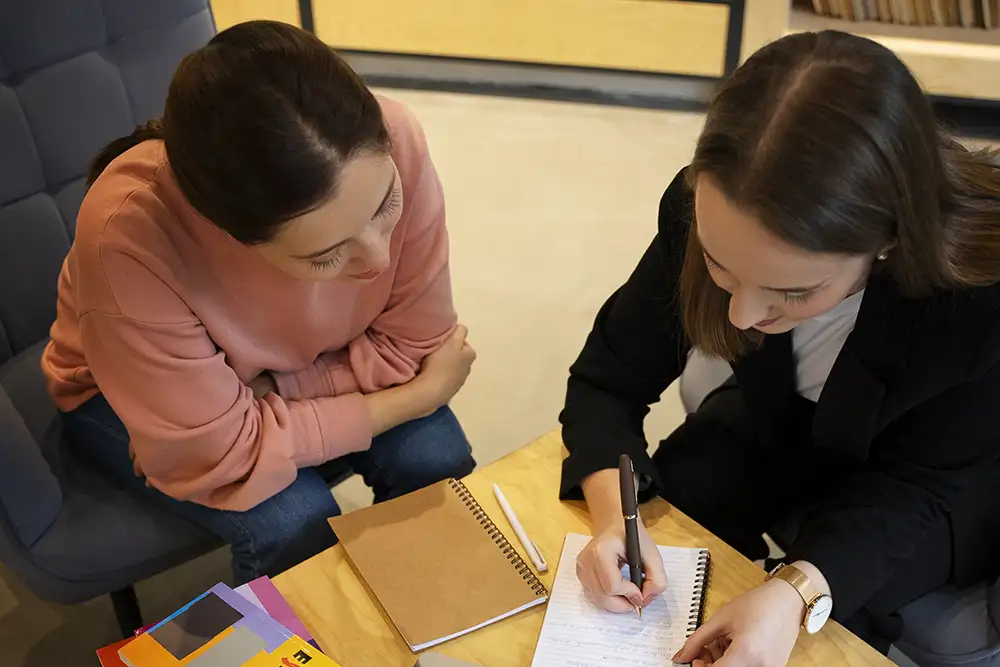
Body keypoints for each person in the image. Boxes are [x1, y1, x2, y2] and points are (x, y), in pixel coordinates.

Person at [561, 30, 1000, 666]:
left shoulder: (977, 292)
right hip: (785, 418)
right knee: (681, 497)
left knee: (837, 628)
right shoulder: (707, 207)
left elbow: (918, 491)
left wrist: (796, 590)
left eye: (792, 291)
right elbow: (608, 379)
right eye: (719, 265)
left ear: (889, 240)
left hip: (931, 479)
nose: (741, 316)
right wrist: (613, 520)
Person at [41, 21, 477, 584]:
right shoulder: (127, 237)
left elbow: (415, 345)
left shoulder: (396, 136)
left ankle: (430, 608)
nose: (377, 258)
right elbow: (218, 453)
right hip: (118, 393)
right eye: (325, 255)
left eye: (385, 205)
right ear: (232, 236)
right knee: (297, 522)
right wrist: (420, 397)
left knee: (437, 461)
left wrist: (267, 399)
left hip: (254, 388)